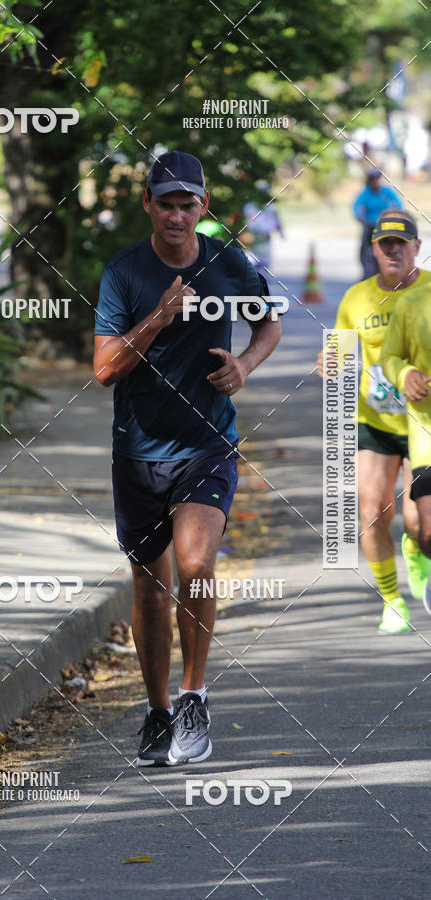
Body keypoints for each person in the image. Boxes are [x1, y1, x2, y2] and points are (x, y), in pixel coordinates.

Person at [93, 151, 281, 765]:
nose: (177, 215)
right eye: (165, 202)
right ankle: (157, 711)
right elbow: (103, 370)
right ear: (147, 203)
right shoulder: (125, 273)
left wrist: (244, 366)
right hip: (140, 450)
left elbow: (268, 325)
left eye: (188, 203)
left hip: (208, 443)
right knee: (150, 591)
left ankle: (195, 696)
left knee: (197, 563)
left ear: (204, 207)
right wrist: (157, 319)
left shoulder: (229, 264)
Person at [317, 209, 431, 633]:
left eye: (402, 243)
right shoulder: (357, 298)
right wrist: (329, 359)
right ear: (374, 250)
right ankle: (392, 599)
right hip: (376, 424)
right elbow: (337, 351)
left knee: (420, 523)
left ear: (417, 247)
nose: (393, 250)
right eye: (385, 244)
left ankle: (417, 548)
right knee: (369, 511)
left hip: (424, 425)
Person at [380, 272, 431, 614]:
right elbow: (389, 356)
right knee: (425, 532)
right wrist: (405, 374)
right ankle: (417, 548)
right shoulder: (414, 302)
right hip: (427, 435)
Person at [353, 168, 401, 279]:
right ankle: (366, 271)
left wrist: (396, 215)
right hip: (370, 224)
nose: (375, 181)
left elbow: (398, 204)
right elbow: (357, 206)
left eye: (377, 179)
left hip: (385, 224)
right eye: (372, 179)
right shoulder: (365, 193)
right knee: (364, 246)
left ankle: (389, 268)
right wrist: (359, 216)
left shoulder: (387, 192)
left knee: (391, 246)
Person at [243, 184, 284, 276]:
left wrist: (281, 233)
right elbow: (248, 223)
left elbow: (276, 222)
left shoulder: (271, 207)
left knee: (264, 268)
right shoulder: (250, 206)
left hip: (265, 242)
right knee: (253, 268)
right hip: (253, 243)